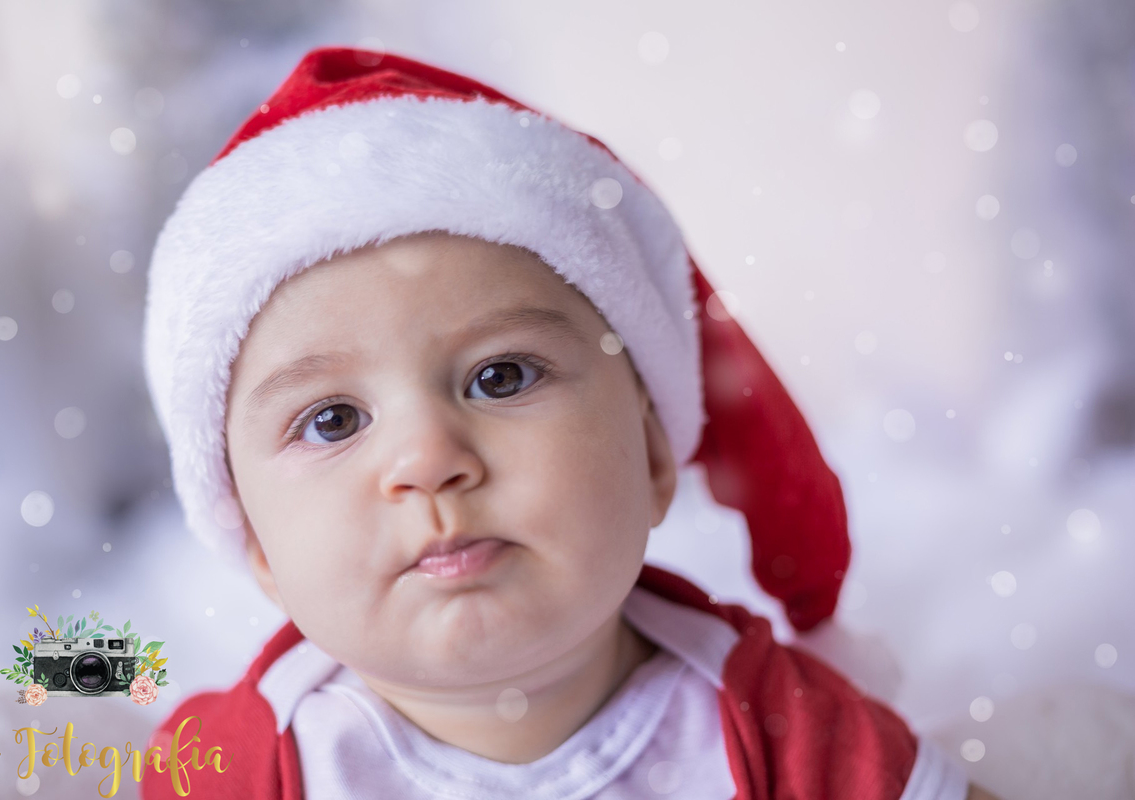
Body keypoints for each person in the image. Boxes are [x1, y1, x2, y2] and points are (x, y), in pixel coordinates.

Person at [139, 47, 1000, 799]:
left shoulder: (781, 727)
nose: (428, 457)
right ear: (256, 546)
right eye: (330, 420)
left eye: (500, 376)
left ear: (656, 451)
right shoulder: (236, 764)